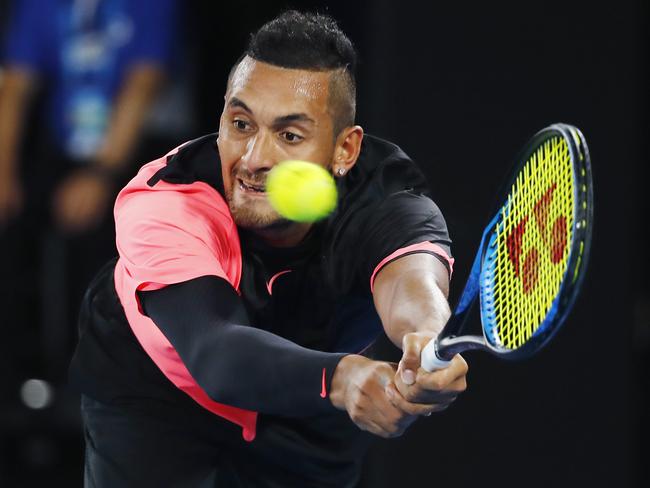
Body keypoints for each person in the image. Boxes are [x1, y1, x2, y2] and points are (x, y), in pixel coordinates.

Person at [69, 10, 468, 487]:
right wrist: (341, 378)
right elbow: (215, 351)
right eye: (241, 124)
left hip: (309, 405)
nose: (255, 159)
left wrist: (423, 338)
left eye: (290, 135)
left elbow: (413, 282)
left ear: (345, 150)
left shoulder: (387, 201)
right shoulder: (168, 201)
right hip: (156, 392)